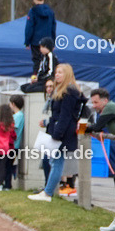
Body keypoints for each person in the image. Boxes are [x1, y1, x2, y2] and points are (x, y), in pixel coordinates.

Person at [29, 64, 84, 202]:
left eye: (60, 72)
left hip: (62, 134)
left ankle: (47, 193)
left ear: (67, 74)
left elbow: (65, 116)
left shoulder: (69, 92)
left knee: (57, 163)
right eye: (56, 72)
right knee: (54, 162)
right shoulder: (62, 90)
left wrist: (57, 134)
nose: (57, 75)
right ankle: (47, 191)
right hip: (59, 131)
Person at [24, 0, 56, 75]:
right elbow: (53, 27)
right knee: (48, 61)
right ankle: (48, 77)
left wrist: (27, 42)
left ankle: (36, 77)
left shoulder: (33, 11)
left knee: (37, 61)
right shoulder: (50, 12)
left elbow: (29, 27)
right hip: (48, 41)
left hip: (35, 42)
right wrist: (53, 42)